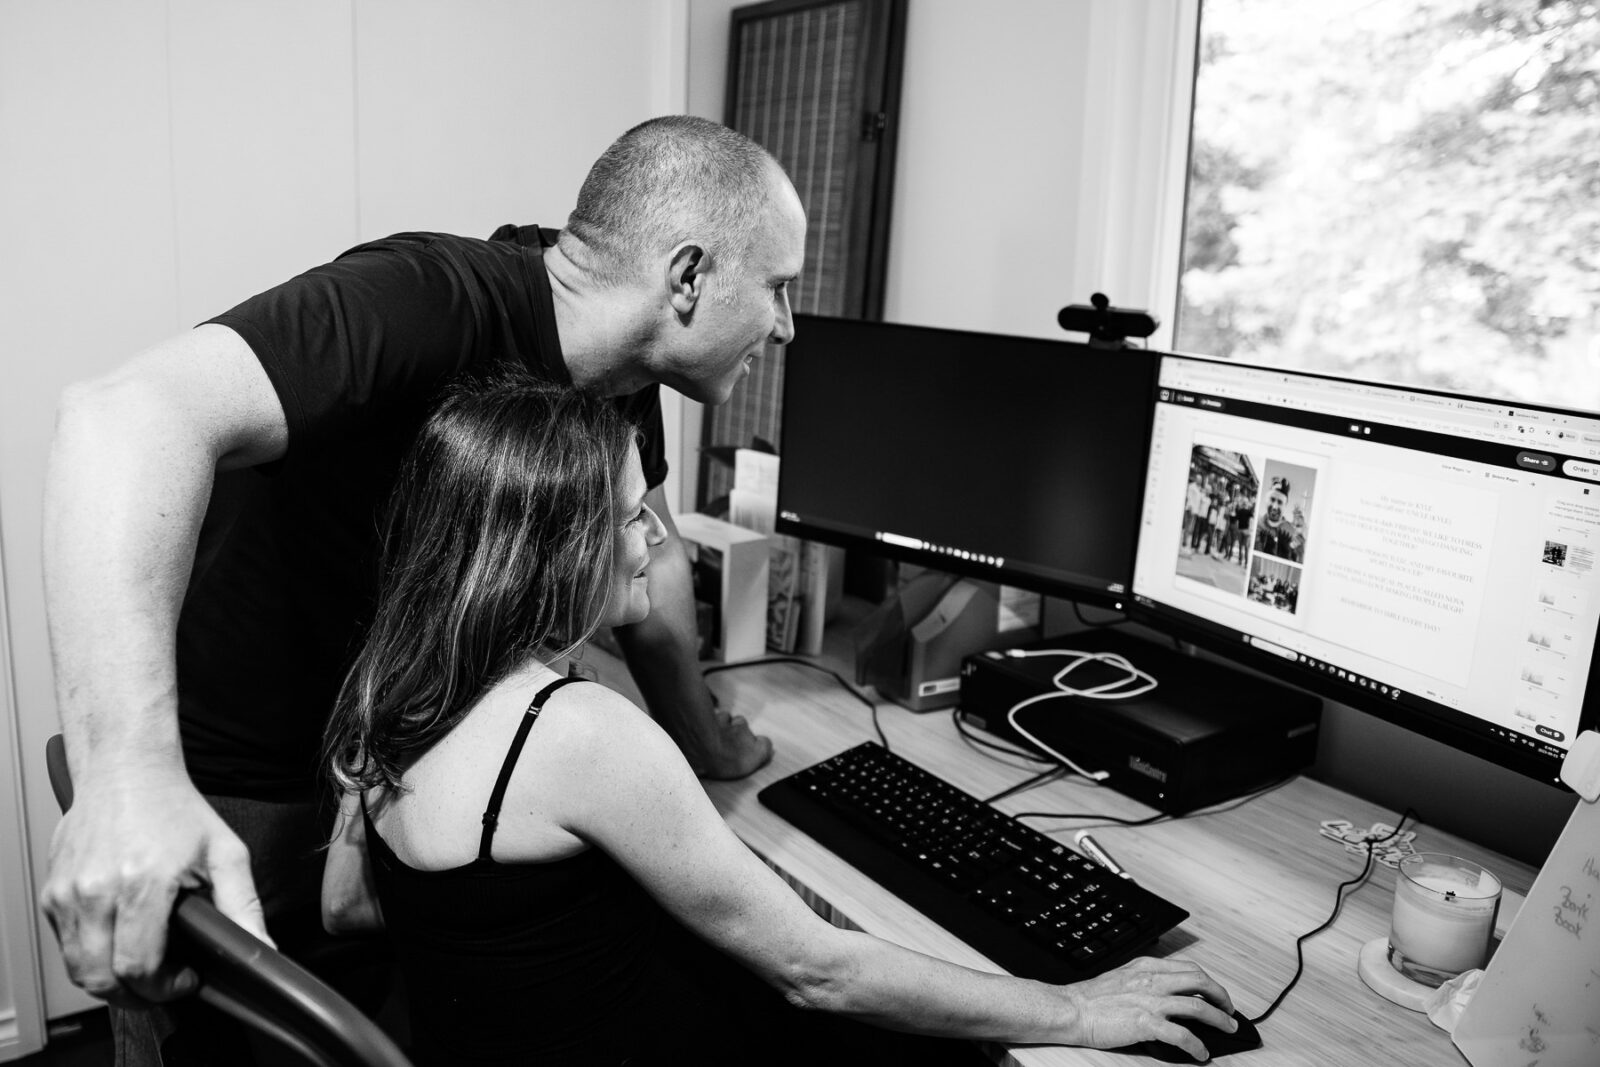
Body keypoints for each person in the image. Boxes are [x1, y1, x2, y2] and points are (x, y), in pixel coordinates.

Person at [39, 115, 803, 1060]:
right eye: (777, 287)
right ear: (687, 278)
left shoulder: (617, 367)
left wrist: (707, 742)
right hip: (248, 772)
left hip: (382, 763)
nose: (785, 323)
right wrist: (126, 780)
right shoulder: (426, 298)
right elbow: (121, 417)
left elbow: (661, 550)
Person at [320, 374, 1242, 1066]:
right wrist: (1077, 1007)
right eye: (631, 515)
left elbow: (346, 906)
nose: (654, 539)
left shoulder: (388, 687)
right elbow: (819, 971)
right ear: (551, 549)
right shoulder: (577, 731)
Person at [1253, 477, 1300, 561]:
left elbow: (1296, 559)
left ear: (1285, 505)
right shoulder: (1257, 524)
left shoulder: (1292, 532)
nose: (1275, 506)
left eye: (1280, 502)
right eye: (1272, 499)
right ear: (1266, 500)